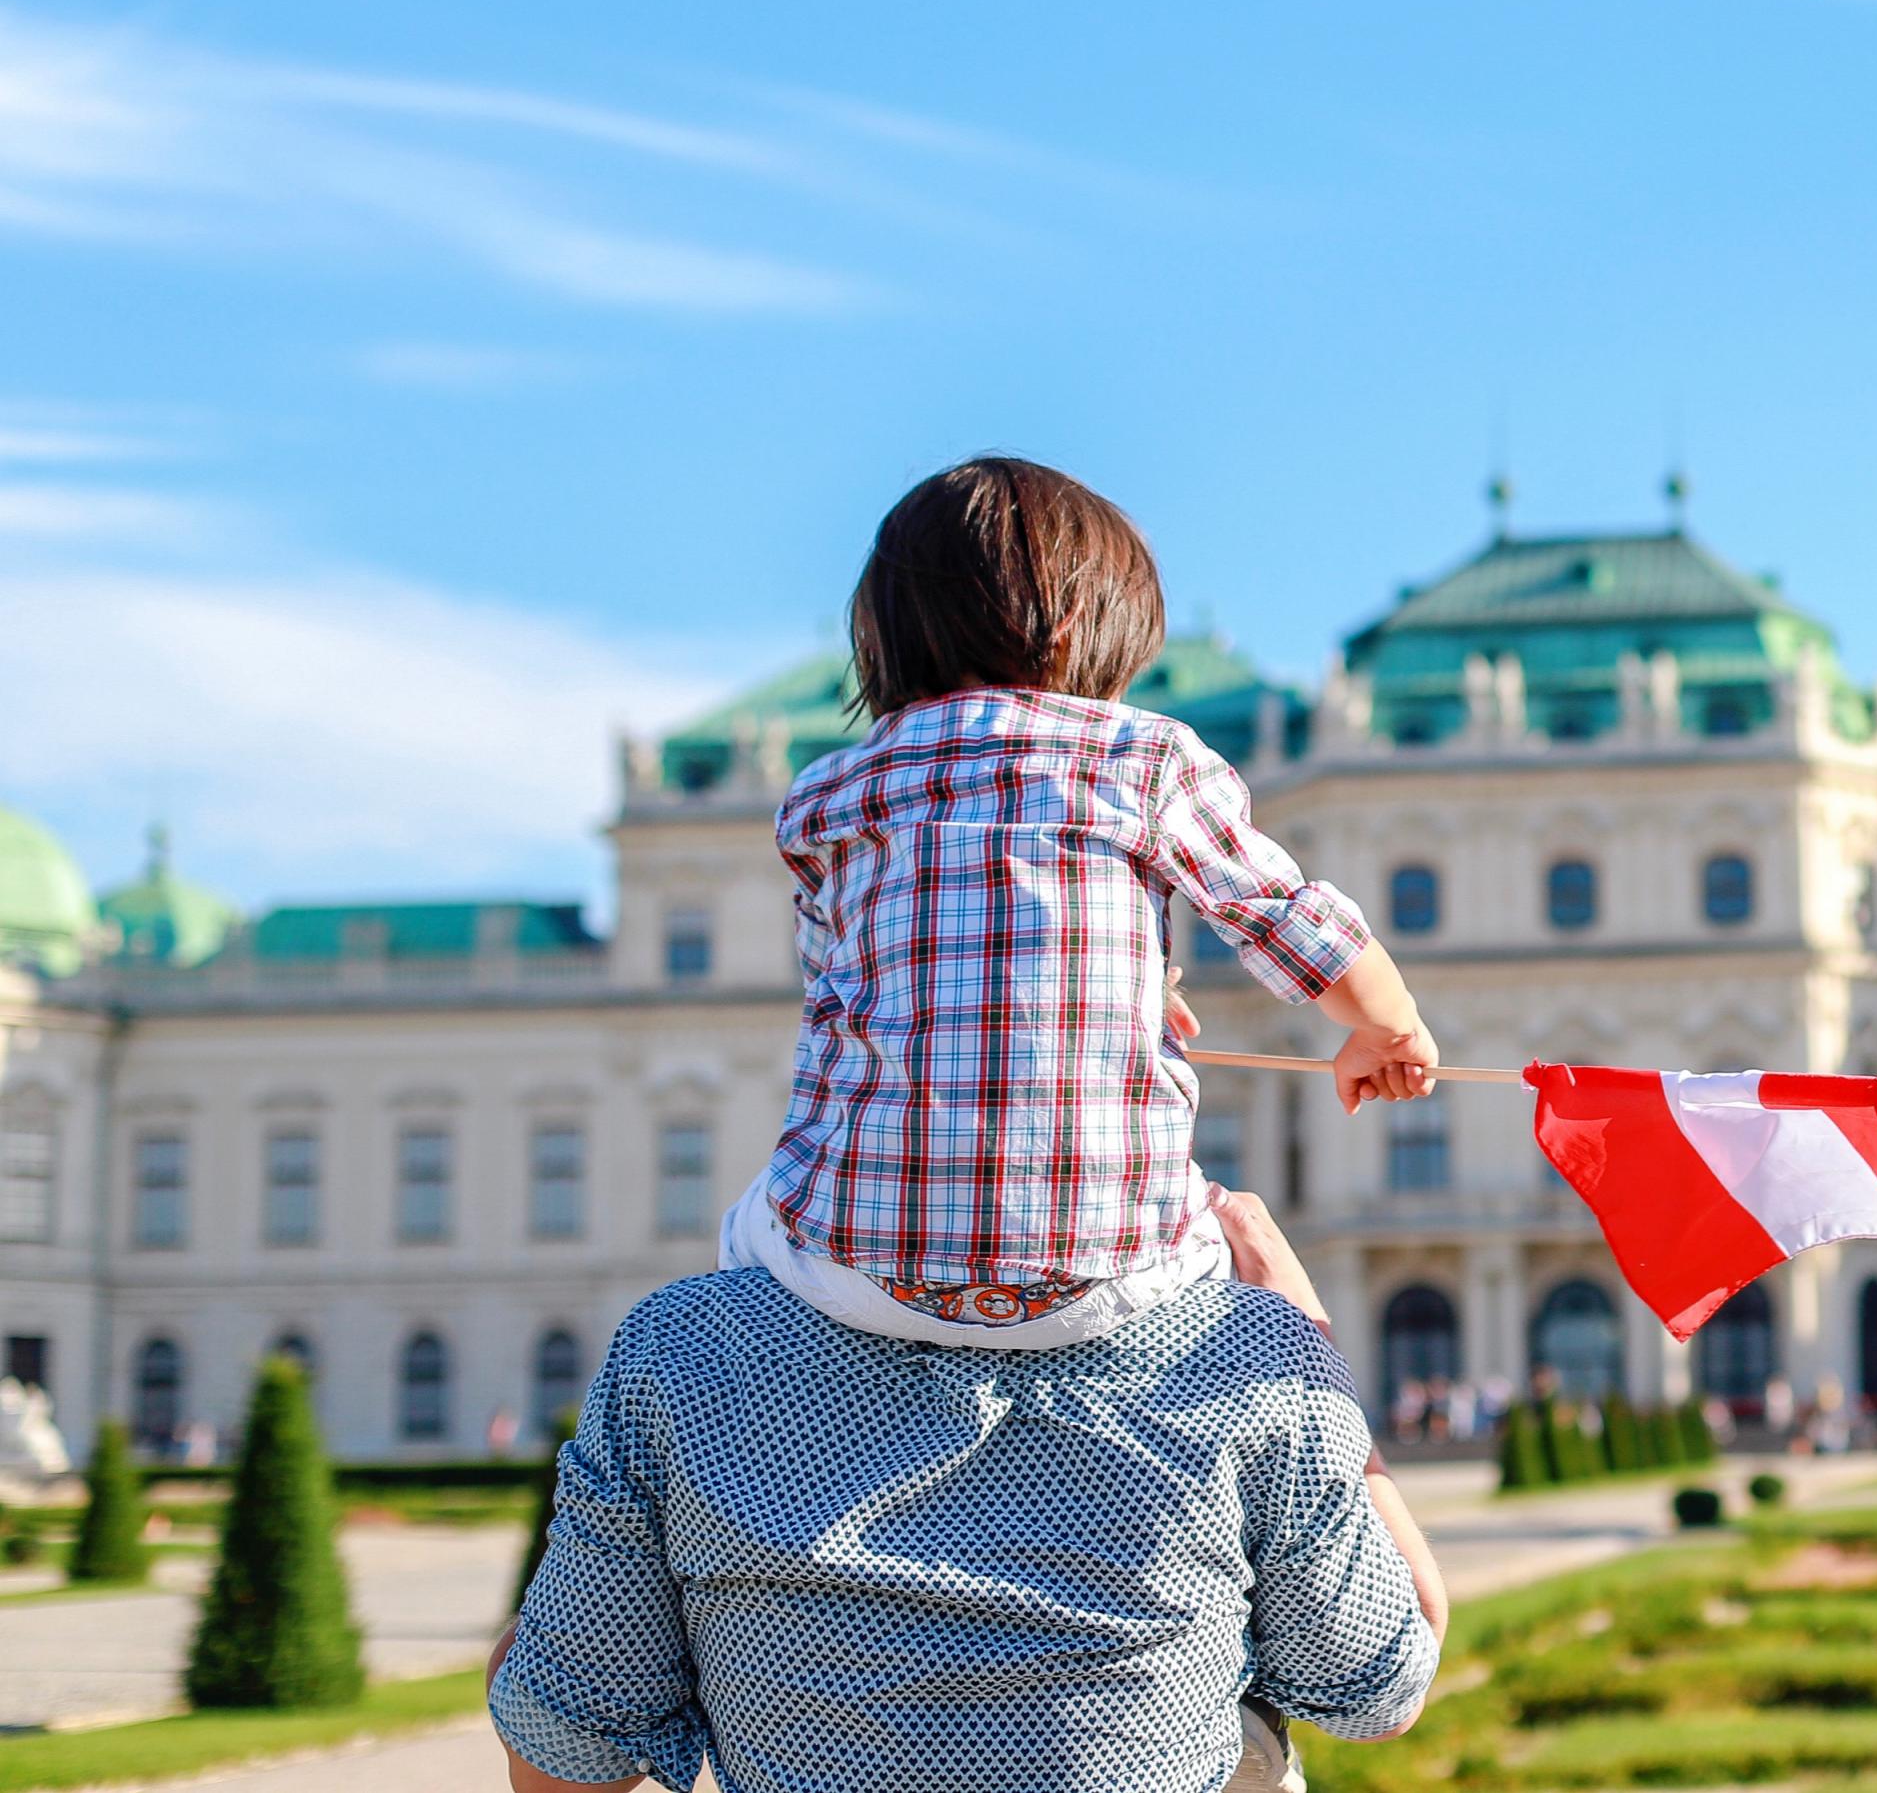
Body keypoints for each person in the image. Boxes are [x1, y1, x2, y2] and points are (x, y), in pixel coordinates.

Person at [720, 458, 1443, 1345]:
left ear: (882, 639)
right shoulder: (1145, 759)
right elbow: (1282, 914)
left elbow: (836, 995)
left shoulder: (829, 795)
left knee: (745, 1231)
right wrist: (1390, 1025)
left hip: (860, 1264)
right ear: (1085, 627)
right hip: (1113, 1267)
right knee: (1243, 1255)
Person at [489, 1191, 1442, 1793]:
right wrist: (1309, 1346)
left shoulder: (686, 1350)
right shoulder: (1247, 1350)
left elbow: (564, 1761)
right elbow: (1382, 1685)